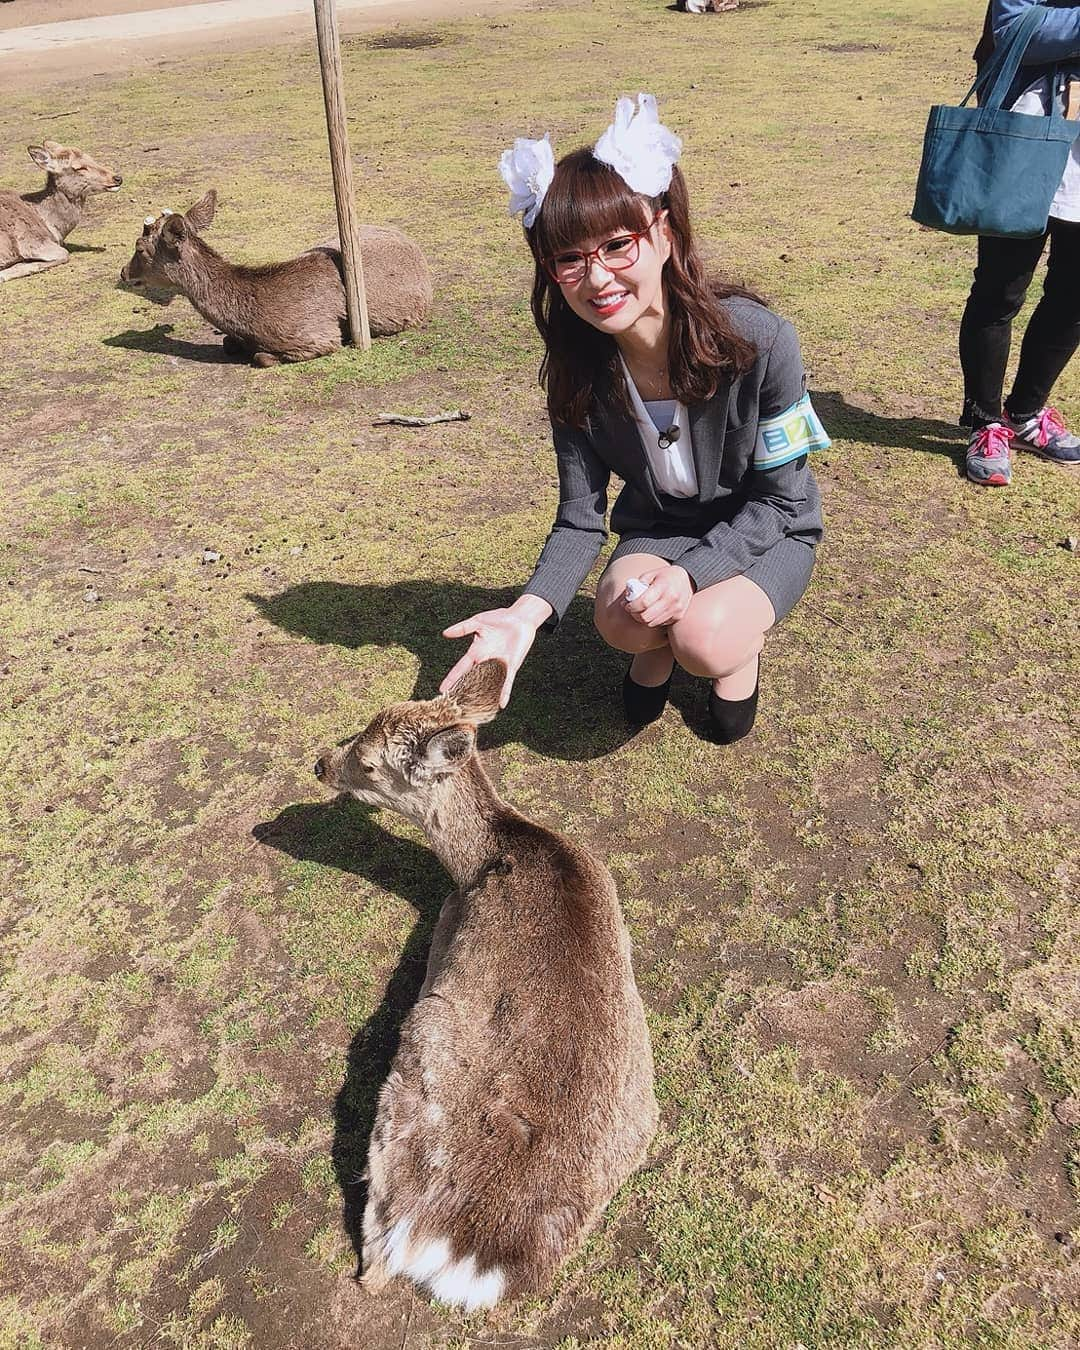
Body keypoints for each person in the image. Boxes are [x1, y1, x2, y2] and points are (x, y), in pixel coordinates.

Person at [440, 95, 829, 743]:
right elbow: (579, 519)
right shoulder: (577, 371)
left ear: (666, 232)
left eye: (618, 245)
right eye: (569, 259)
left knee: (705, 637)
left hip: (768, 532)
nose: (597, 278)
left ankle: (732, 648)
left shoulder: (762, 342)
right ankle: (661, 645)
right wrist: (525, 616)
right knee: (619, 621)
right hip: (664, 531)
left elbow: (784, 501)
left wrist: (693, 578)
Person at [961, 0, 1080, 486]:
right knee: (1000, 289)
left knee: (1074, 295)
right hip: (1022, 136)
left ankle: (1025, 412)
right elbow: (1014, 29)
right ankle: (985, 421)